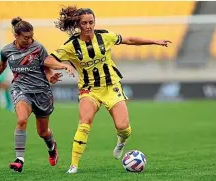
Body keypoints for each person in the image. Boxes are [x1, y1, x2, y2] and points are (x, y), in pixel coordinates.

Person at [44, 6, 172, 174]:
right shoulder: (71, 45)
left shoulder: (105, 36)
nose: (88, 26)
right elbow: (47, 60)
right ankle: (74, 165)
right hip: (89, 90)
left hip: (111, 87)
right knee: (84, 123)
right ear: (78, 25)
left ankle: (121, 141)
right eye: (84, 23)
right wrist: (62, 65)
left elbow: (130, 40)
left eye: (91, 22)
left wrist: (154, 41)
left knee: (123, 127)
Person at [0, 17, 73, 172]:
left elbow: (46, 63)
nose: (30, 40)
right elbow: (2, 65)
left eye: (32, 36)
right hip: (21, 89)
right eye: (26, 38)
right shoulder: (6, 51)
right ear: (16, 36)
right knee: (22, 120)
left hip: (42, 92)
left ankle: (52, 147)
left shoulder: (38, 47)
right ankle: (19, 159)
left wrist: (58, 69)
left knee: (43, 132)